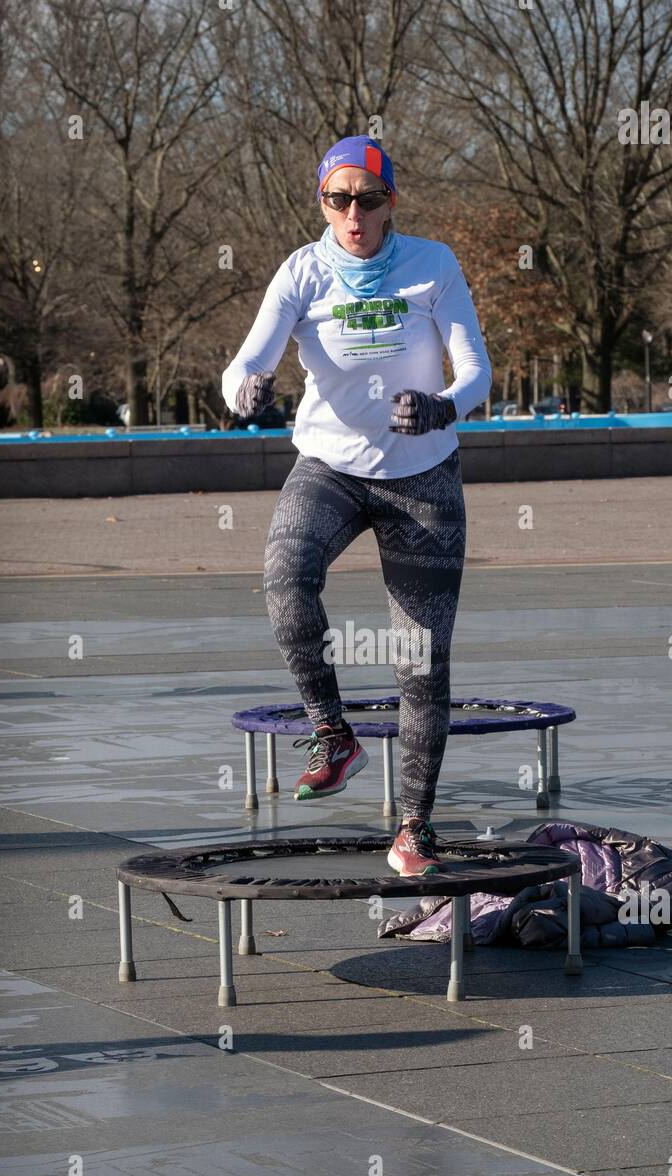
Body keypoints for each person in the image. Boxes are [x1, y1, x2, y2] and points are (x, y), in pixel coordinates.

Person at [221, 136, 491, 876]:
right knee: (284, 572)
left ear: (390, 203)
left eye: (368, 200)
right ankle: (331, 732)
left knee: (420, 662)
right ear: (322, 205)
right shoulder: (302, 273)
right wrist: (243, 389)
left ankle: (414, 827)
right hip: (331, 468)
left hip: (423, 479)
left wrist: (442, 408)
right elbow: (246, 361)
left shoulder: (432, 265)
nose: (353, 215)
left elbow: (476, 370)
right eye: (337, 200)